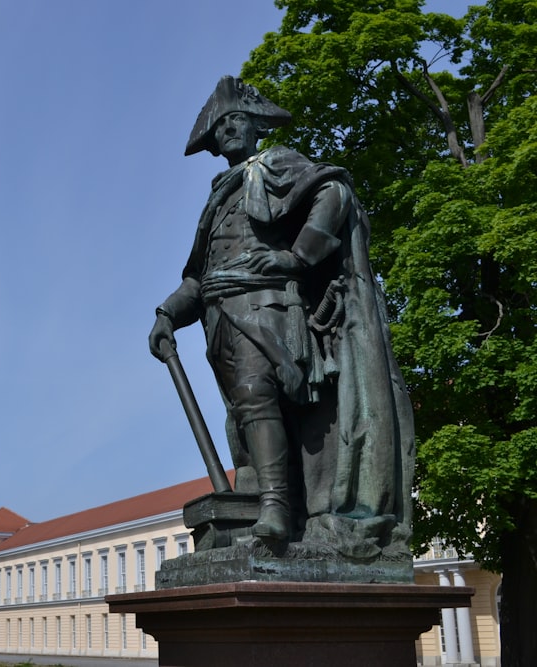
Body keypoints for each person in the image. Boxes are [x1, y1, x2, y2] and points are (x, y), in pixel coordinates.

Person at [149, 76, 414, 556]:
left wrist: (299, 256)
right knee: (249, 416)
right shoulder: (219, 195)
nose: (230, 130)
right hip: (221, 317)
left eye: (237, 121)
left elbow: (333, 191)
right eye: (221, 127)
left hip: (269, 308)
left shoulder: (276, 164)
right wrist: (167, 313)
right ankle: (275, 508)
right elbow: (200, 277)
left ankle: (275, 509)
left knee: (258, 396)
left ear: (255, 127)